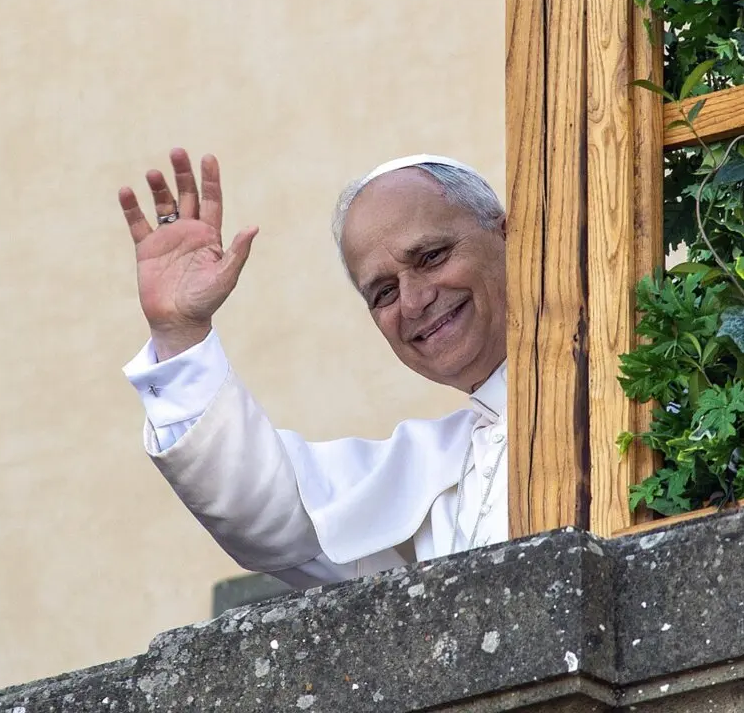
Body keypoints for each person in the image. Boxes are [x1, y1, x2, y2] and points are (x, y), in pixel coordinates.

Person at [117, 148, 509, 588]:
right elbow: (269, 512)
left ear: (508, 235)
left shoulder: (603, 376)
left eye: (431, 257)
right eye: (383, 293)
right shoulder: (437, 462)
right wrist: (180, 333)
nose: (414, 302)